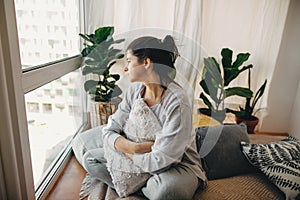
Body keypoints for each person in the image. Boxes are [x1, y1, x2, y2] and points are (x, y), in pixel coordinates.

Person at [72, 35, 207, 200]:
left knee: (168, 191)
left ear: (146, 63)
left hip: (175, 166)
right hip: (139, 151)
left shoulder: (177, 102)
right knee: (89, 157)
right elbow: (109, 130)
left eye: (129, 61)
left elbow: (160, 162)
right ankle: (142, 186)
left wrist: (123, 148)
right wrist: (135, 148)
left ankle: (137, 186)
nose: (125, 68)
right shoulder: (135, 90)